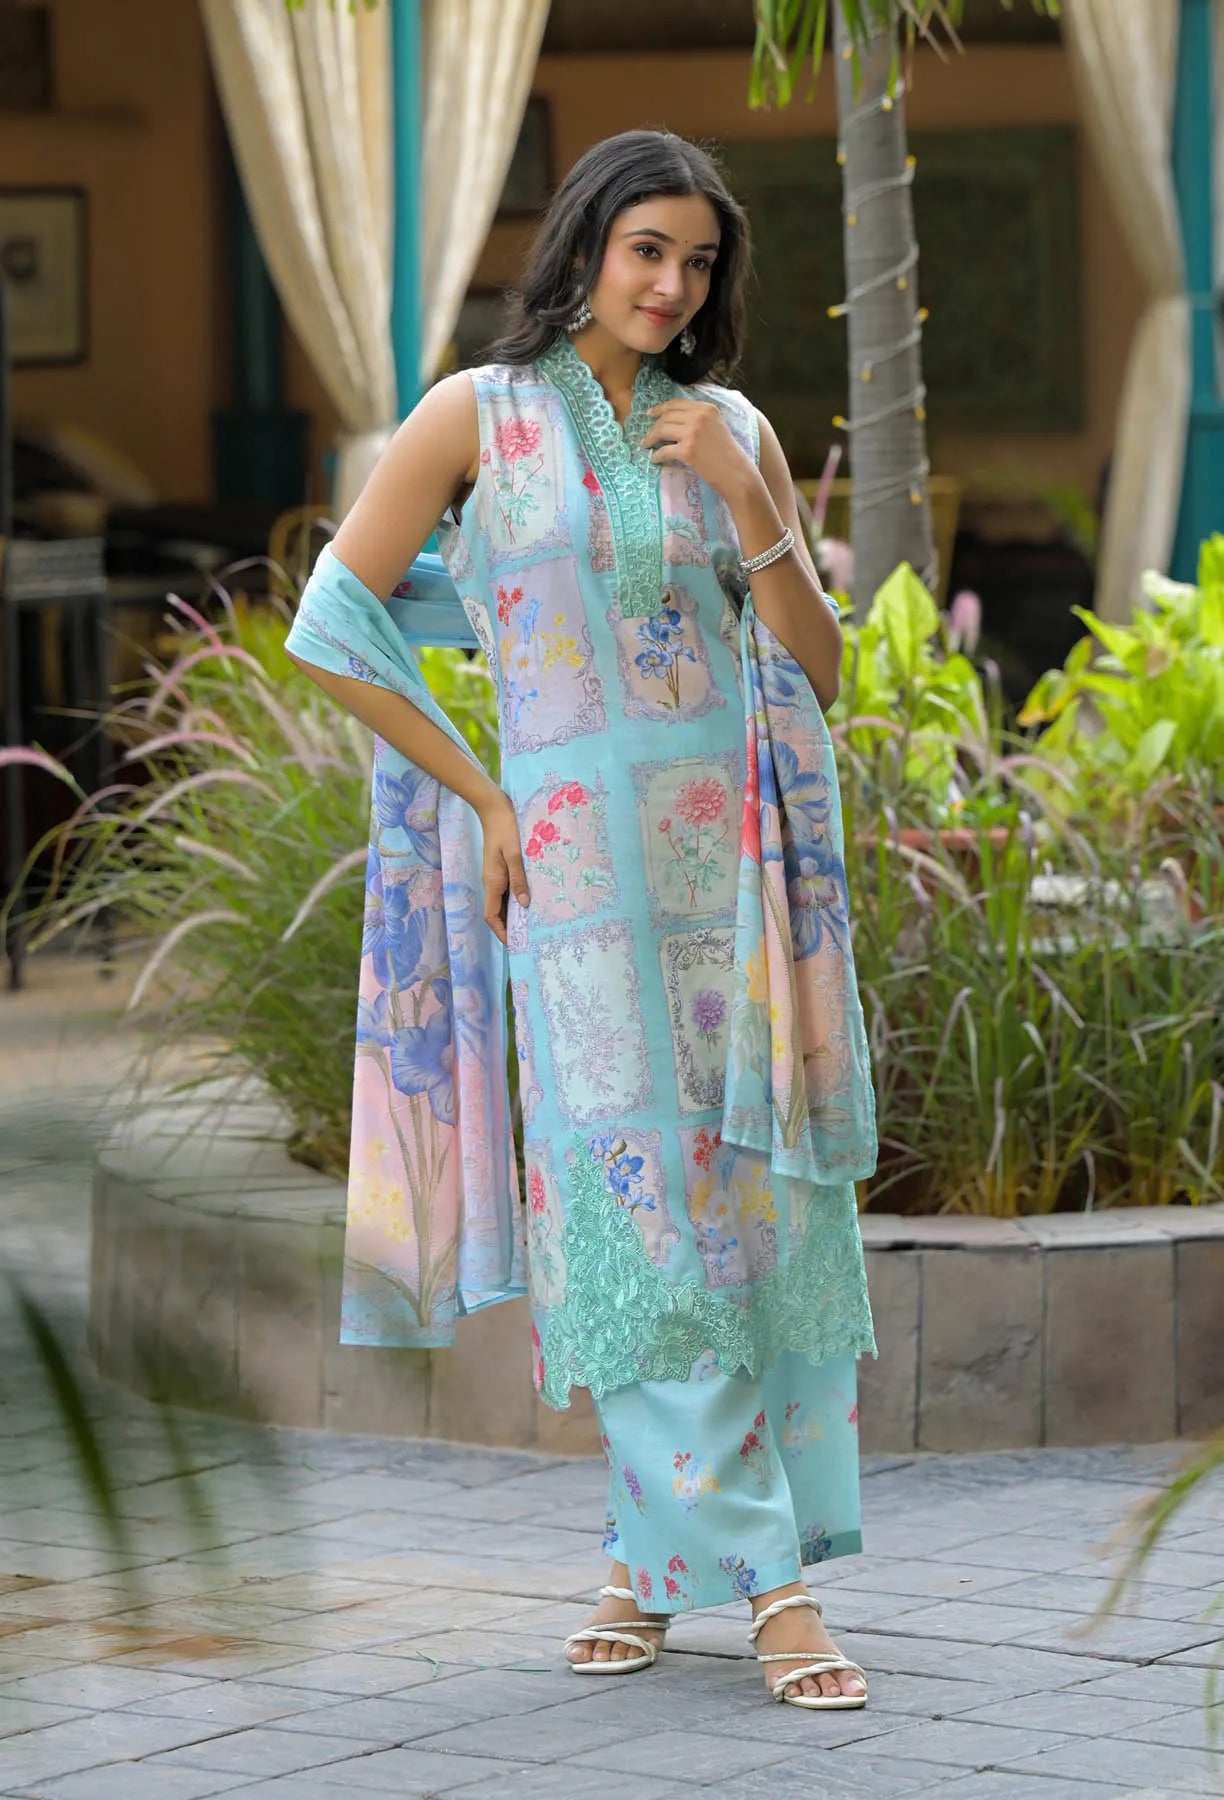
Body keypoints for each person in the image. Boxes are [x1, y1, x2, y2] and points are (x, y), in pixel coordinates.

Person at [286, 128, 878, 1712]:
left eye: (697, 262)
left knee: (743, 1210)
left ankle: (641, 1559)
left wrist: (746, 489)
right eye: (647, 251)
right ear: (586, 246)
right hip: (573, 890)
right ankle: (774, 1589)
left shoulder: (728, 425)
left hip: (726, 888)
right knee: (639, 1214)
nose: (672, 285)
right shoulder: (474, 418)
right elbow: (334, 619)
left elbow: (822, 668)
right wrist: (483, 799)